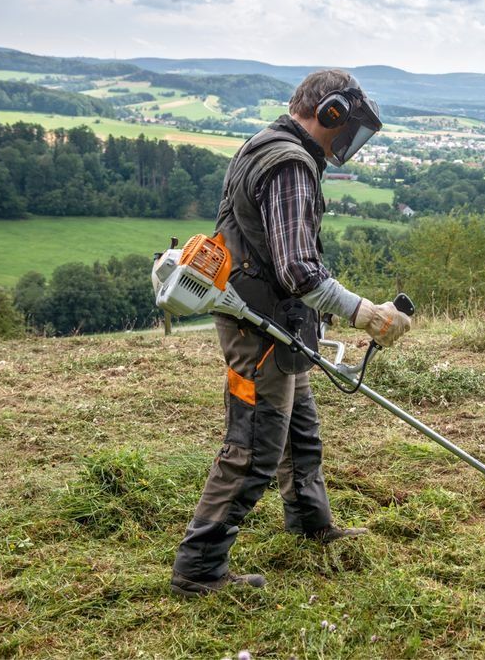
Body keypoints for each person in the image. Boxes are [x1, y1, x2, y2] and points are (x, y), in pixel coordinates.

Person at [170, 70, 410, 597]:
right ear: (331, 113)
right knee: (254, 446)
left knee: (300, 430)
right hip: (258, 326)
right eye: (348, 125)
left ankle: (308, 520)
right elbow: (298, 271)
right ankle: (199, 569)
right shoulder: (291, 165)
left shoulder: (267, 143)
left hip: (276, 321)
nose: (349, 140)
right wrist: (367, 313)